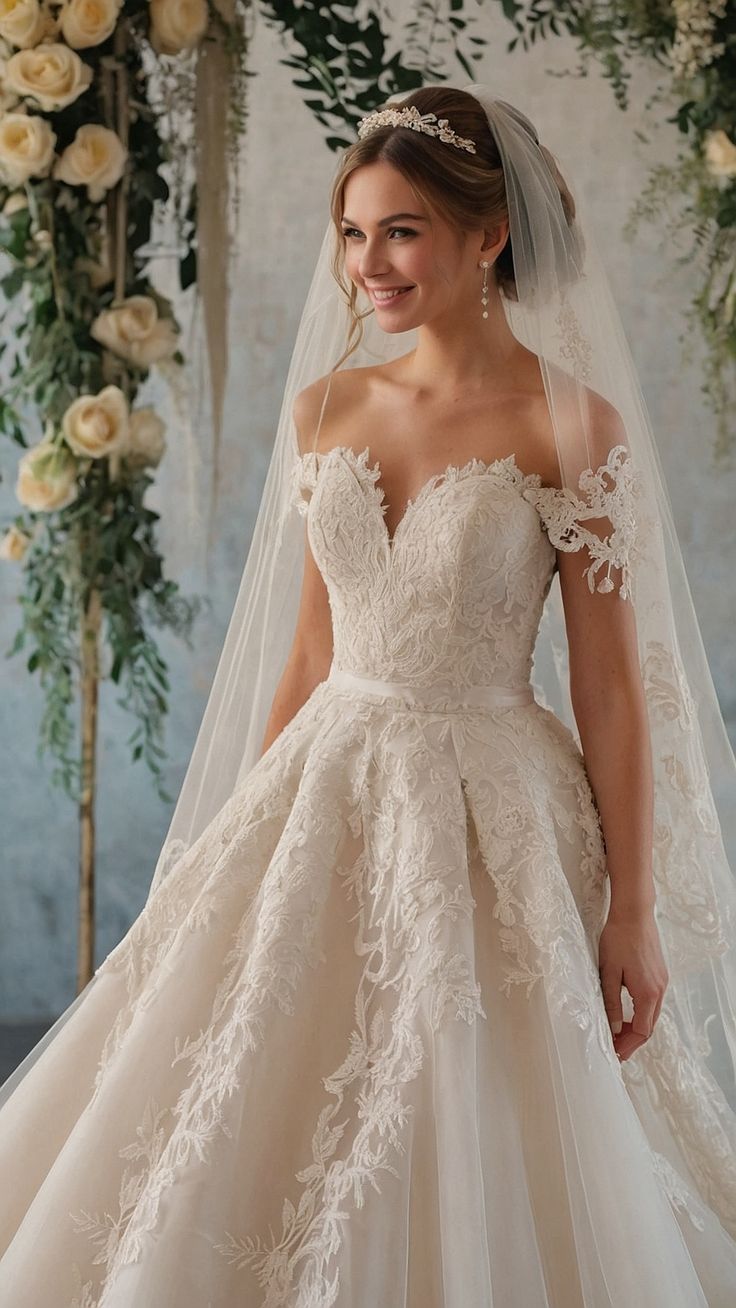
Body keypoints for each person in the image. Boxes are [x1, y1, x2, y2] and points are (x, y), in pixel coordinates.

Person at [0, 83, 735, 1308]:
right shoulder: (326, 408)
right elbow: (306, 651)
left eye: (399, 231)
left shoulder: (572, 427)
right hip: (324, 778)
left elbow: (611, 692)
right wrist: (239, 844)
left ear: (487, 234)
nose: (367, 266)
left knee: (465, 1085)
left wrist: (633, 909)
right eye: (353, 233)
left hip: (491, 804)